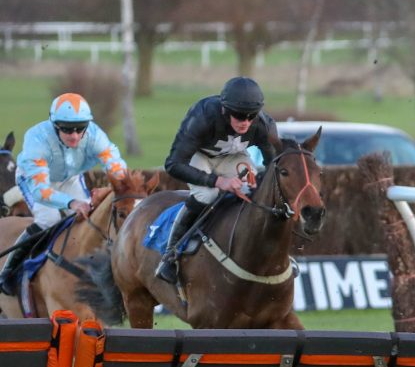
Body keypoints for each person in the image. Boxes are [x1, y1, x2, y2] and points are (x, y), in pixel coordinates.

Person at [0, 93, 129, 296]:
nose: (75, 135)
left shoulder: (95, 135)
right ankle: (8, 270)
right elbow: (42, 192)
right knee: (49, 219)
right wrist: (72, 203)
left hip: (69, 178)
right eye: (67, 129)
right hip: (34, 180)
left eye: (80, 128)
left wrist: (117, 187)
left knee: (88, 219)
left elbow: (116, 168)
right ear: (54, 125)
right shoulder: (37, 139)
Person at [155, 76, 279, 283]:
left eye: (251, 116)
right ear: (225, 110)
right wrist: (218, 181)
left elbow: (273, 164)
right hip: (200, 156)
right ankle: (171, 253)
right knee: (207, 195)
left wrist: (263, 183)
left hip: (234, 157)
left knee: (256, 191)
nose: (245, 122)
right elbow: (173, 164)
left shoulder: (264, 125)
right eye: (239, 116)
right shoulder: (202, 117)